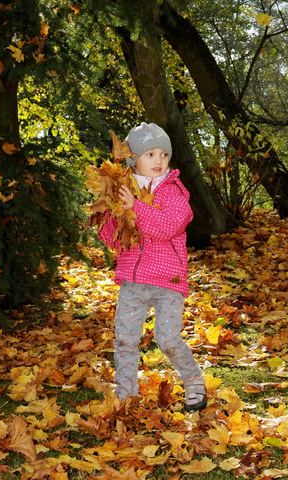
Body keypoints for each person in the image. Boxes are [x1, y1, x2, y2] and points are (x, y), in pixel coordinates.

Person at [98, 122, 207, 411]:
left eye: (163, 154)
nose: (158, 160)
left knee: (168, 339)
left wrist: (136, 207)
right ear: (133, 160)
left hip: (167, 281)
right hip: (132, 282)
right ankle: (127, 394)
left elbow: (167, 227)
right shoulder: (124, 190)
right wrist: (113, 210)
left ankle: (194, 379)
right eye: (150, 154)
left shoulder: (174, 193)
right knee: (125, 339)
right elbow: (112, 240)